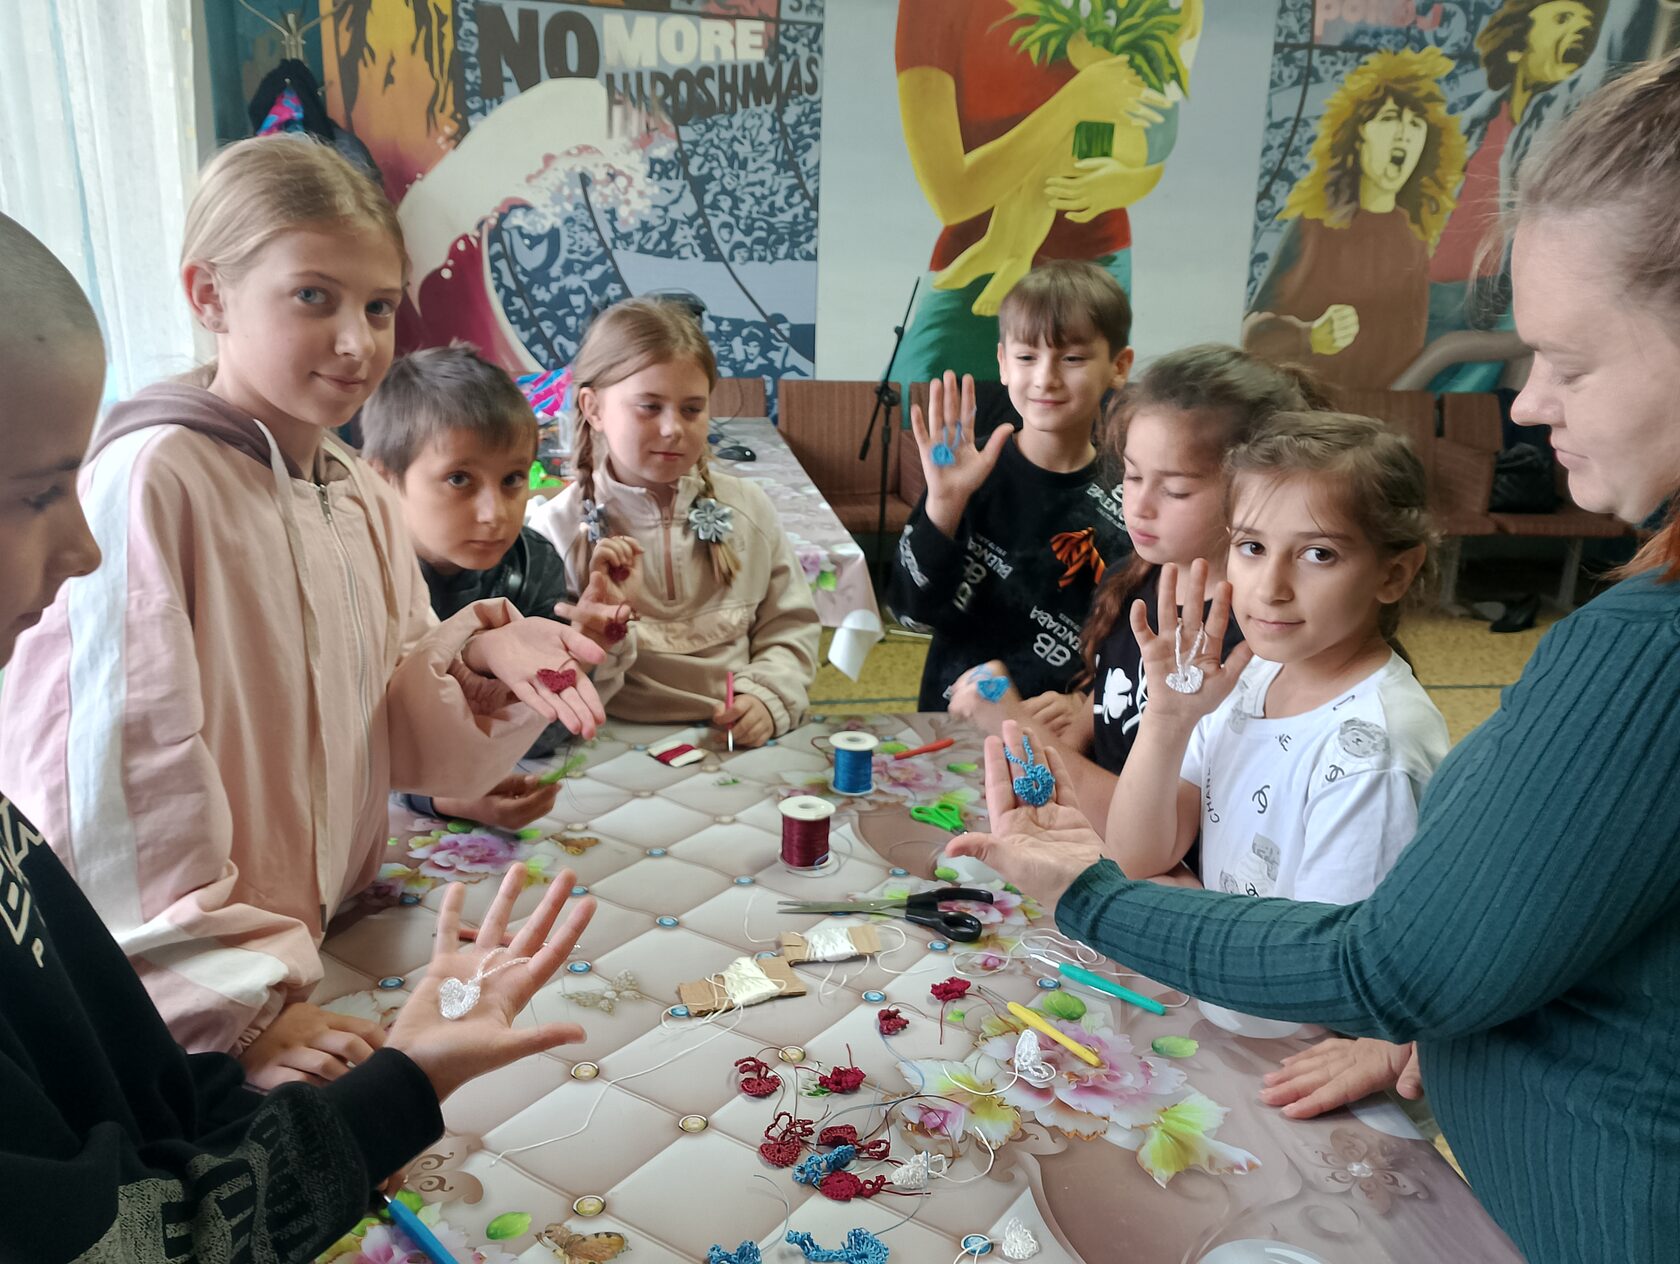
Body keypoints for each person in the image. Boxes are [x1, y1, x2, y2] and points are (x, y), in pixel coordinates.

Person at [946, 53, 1680, 1263]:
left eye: (1570, 360)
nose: (1528, 404)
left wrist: (1088, 893)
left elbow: (1387, 967)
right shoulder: (1242, 672)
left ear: (1392, 571)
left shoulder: (1642, 654)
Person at [0, 208, 599, 1263]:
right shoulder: (157, 474)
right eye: (314, 296)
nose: (358, 340)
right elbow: (125, 786)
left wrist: (477, 658)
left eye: (381, 306)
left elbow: (390, 695)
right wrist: (235, 1005)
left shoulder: (354, 489)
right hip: (219, 980)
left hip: (306, 936)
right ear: (209, 294)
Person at [950, 344, 1319, 821]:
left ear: (1254, 491)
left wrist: (1014, 728)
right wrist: (1077, 724)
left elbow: (1152, 833)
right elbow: (1114, 691)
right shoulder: (1145, 574)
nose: (1139, 507)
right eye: (1132, 475)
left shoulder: (1248, 644)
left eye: (1175, 490)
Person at [1104, 412, 1448, 904]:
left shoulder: (1376, 756)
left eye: (1319, 554)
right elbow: (1137, 857)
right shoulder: (1247, 679)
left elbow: (1324, 948)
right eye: (1252, 546)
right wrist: (1166, 721)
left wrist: (1188, 907)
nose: (1271, 589)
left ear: (1394, 574)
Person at [528, 297, 821, 748]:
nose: (673, 429)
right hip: (605, 742)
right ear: (594, 408)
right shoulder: (555, 532)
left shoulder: (750, 509)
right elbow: (545, 687)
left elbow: (789, 626)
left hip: (734, 739)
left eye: (691, 409)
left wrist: (767, 698)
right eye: (649, 406)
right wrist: (597, 637)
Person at [362, 343, 638, 780]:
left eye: (512, 479)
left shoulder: (533, 564)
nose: (494, 514)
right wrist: (436, 800)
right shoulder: (361, 577)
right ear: (383, 480)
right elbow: (362, 742)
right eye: (459, 479)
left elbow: (541, 740)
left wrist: (583, 650)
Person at [891, 260, 1133, 712]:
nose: (1046, 378)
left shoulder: (1131, 494)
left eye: (1073, 358)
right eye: (1026, 357)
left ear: (1118, 366)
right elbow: (911, 613)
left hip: (1065, 733)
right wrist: (944, 503)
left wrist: (1087, 706)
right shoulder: (969, 471)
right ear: (1003, 363)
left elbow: (1136, 637)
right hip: (956, 723)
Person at [1243, 47, 1467, 390]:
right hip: (1307, 406)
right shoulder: (1315, 226)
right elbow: (1250, 336)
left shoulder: (1412, 238)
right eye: (1389, 119)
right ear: (1358, 134)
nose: (1403, 134)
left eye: (1415, 123)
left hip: (1384, 411)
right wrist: (1309, 337)